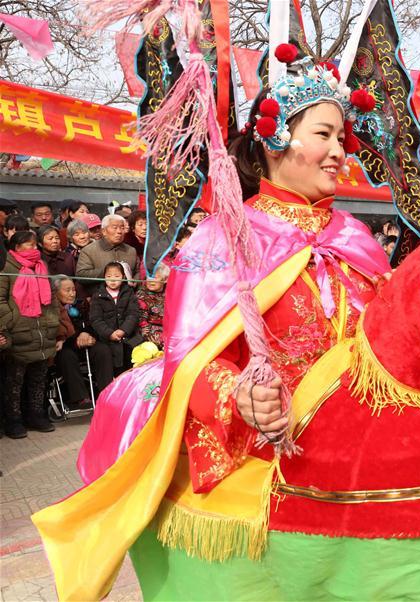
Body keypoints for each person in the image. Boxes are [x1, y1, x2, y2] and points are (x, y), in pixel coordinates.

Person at [35, 48, 394, 601]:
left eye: (342, 138)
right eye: (323, 135)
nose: (338, 152)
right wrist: (242, 396)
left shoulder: (355, 237)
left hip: (369, 460)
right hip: (267, 461)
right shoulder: (224, 237)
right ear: (276, 139)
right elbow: (189, 359)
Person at [0, 230, 60, 437]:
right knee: (15, 381)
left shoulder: (41, 266)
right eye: (29, 245)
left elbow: (52, 298)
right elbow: (0, 300)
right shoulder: (7, 268)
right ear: (17, 247)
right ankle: (14, 419)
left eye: (35, 245)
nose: (34, 248)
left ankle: (36, 415)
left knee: (38, 378)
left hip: (43, 330)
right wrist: (12, 321)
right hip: (19, 332)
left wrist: (52, 321)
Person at [53, 276, 113, 406]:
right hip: (66, 345)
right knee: (66, 356)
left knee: (102, 350)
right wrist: (77, 338)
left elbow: (94, 322)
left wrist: (88, 335)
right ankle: (81, 397)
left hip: (86, 342)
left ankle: (107, 394)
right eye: (67, 290)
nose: (72, 293)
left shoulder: (82, 304)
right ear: (56, 292)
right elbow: (59, 332)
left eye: (73, 290)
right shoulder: (52, 308)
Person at [89, 262, 142, 374]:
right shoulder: (98, 295)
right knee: (112, 365)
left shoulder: (129, 293)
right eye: (109, 276)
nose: (112, 280)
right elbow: (96, 319)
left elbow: (133, 314)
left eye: (117, 276)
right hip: (106, 339)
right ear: (104, 277)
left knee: (133, 363)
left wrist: (123, 330)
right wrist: (109, 334)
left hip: (128, 337)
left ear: (123, 277)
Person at [76, 214, 138, 295]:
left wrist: (136, 280)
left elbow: (137, 271)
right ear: (104, 231)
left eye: (122, 228)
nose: (119, 231)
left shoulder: (131, 250)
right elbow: (81, 276)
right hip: (99, 297)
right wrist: (109, 272)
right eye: (115, 228)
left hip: (127, 297)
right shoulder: (88, 251)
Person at [136, 264, 168, 348]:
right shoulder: (142, 294)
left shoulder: (170, 292)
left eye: (155, 277)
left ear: (165, 279)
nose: (151, 281)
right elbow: (142, 321)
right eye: (149, 277)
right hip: (150, 331)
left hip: (169, 329)